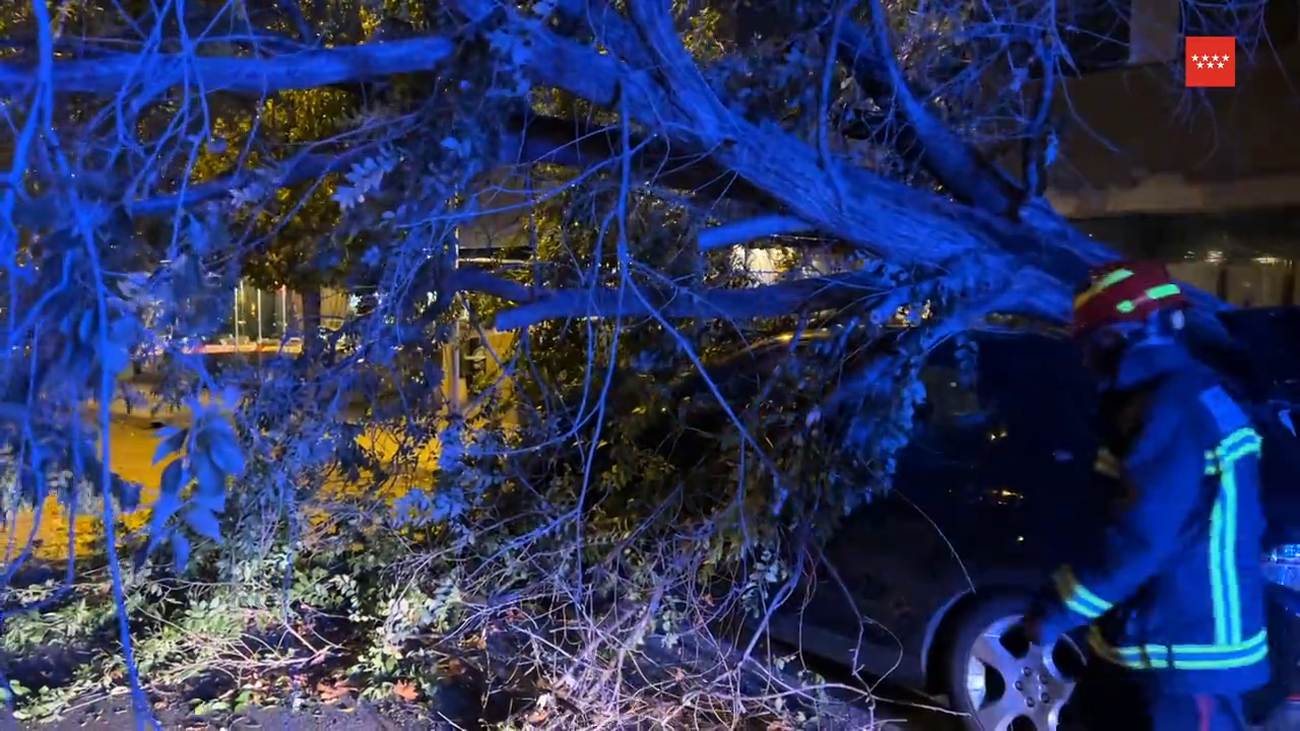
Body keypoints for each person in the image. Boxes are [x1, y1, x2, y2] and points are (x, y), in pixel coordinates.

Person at [1018, 260, 1270, 730]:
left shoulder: (1168, 409)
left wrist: (1054, 613)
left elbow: (1141, 538)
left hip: (1184, 660)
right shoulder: (1184, 394)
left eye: (1093, 344)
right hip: (1152, 645)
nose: (1087, 361)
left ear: (1124, 336)